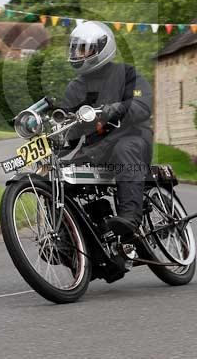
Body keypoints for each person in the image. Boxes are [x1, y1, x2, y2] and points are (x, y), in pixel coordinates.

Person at [61, 20, 154, 236]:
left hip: (132, 138)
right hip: (96, 149)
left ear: (102, 47)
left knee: (124, 149)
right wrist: (58, 140)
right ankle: (69, 238)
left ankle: (130, 218)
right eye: (75, 49)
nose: (77, 54)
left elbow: (143, 105)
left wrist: (117, 108)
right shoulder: (74, 88)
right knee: (57, 173)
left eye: (83, 49)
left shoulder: (127, 73)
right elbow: (71, 130)